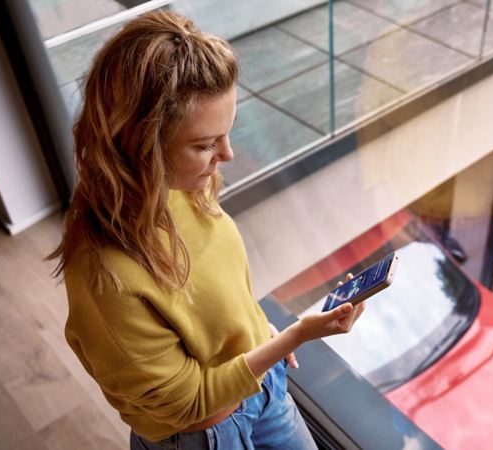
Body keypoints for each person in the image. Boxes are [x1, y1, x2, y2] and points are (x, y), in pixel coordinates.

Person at [48, 11, 364, 450]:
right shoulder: (106, 279)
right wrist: (295, 336)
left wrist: (260, 333)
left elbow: (213, 291)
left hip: (261, 387)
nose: (228, 155)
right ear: (140, 144)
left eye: (226, 133)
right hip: (204, 435)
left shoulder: (184, 186)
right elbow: (188, 403)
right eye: (204, 144)